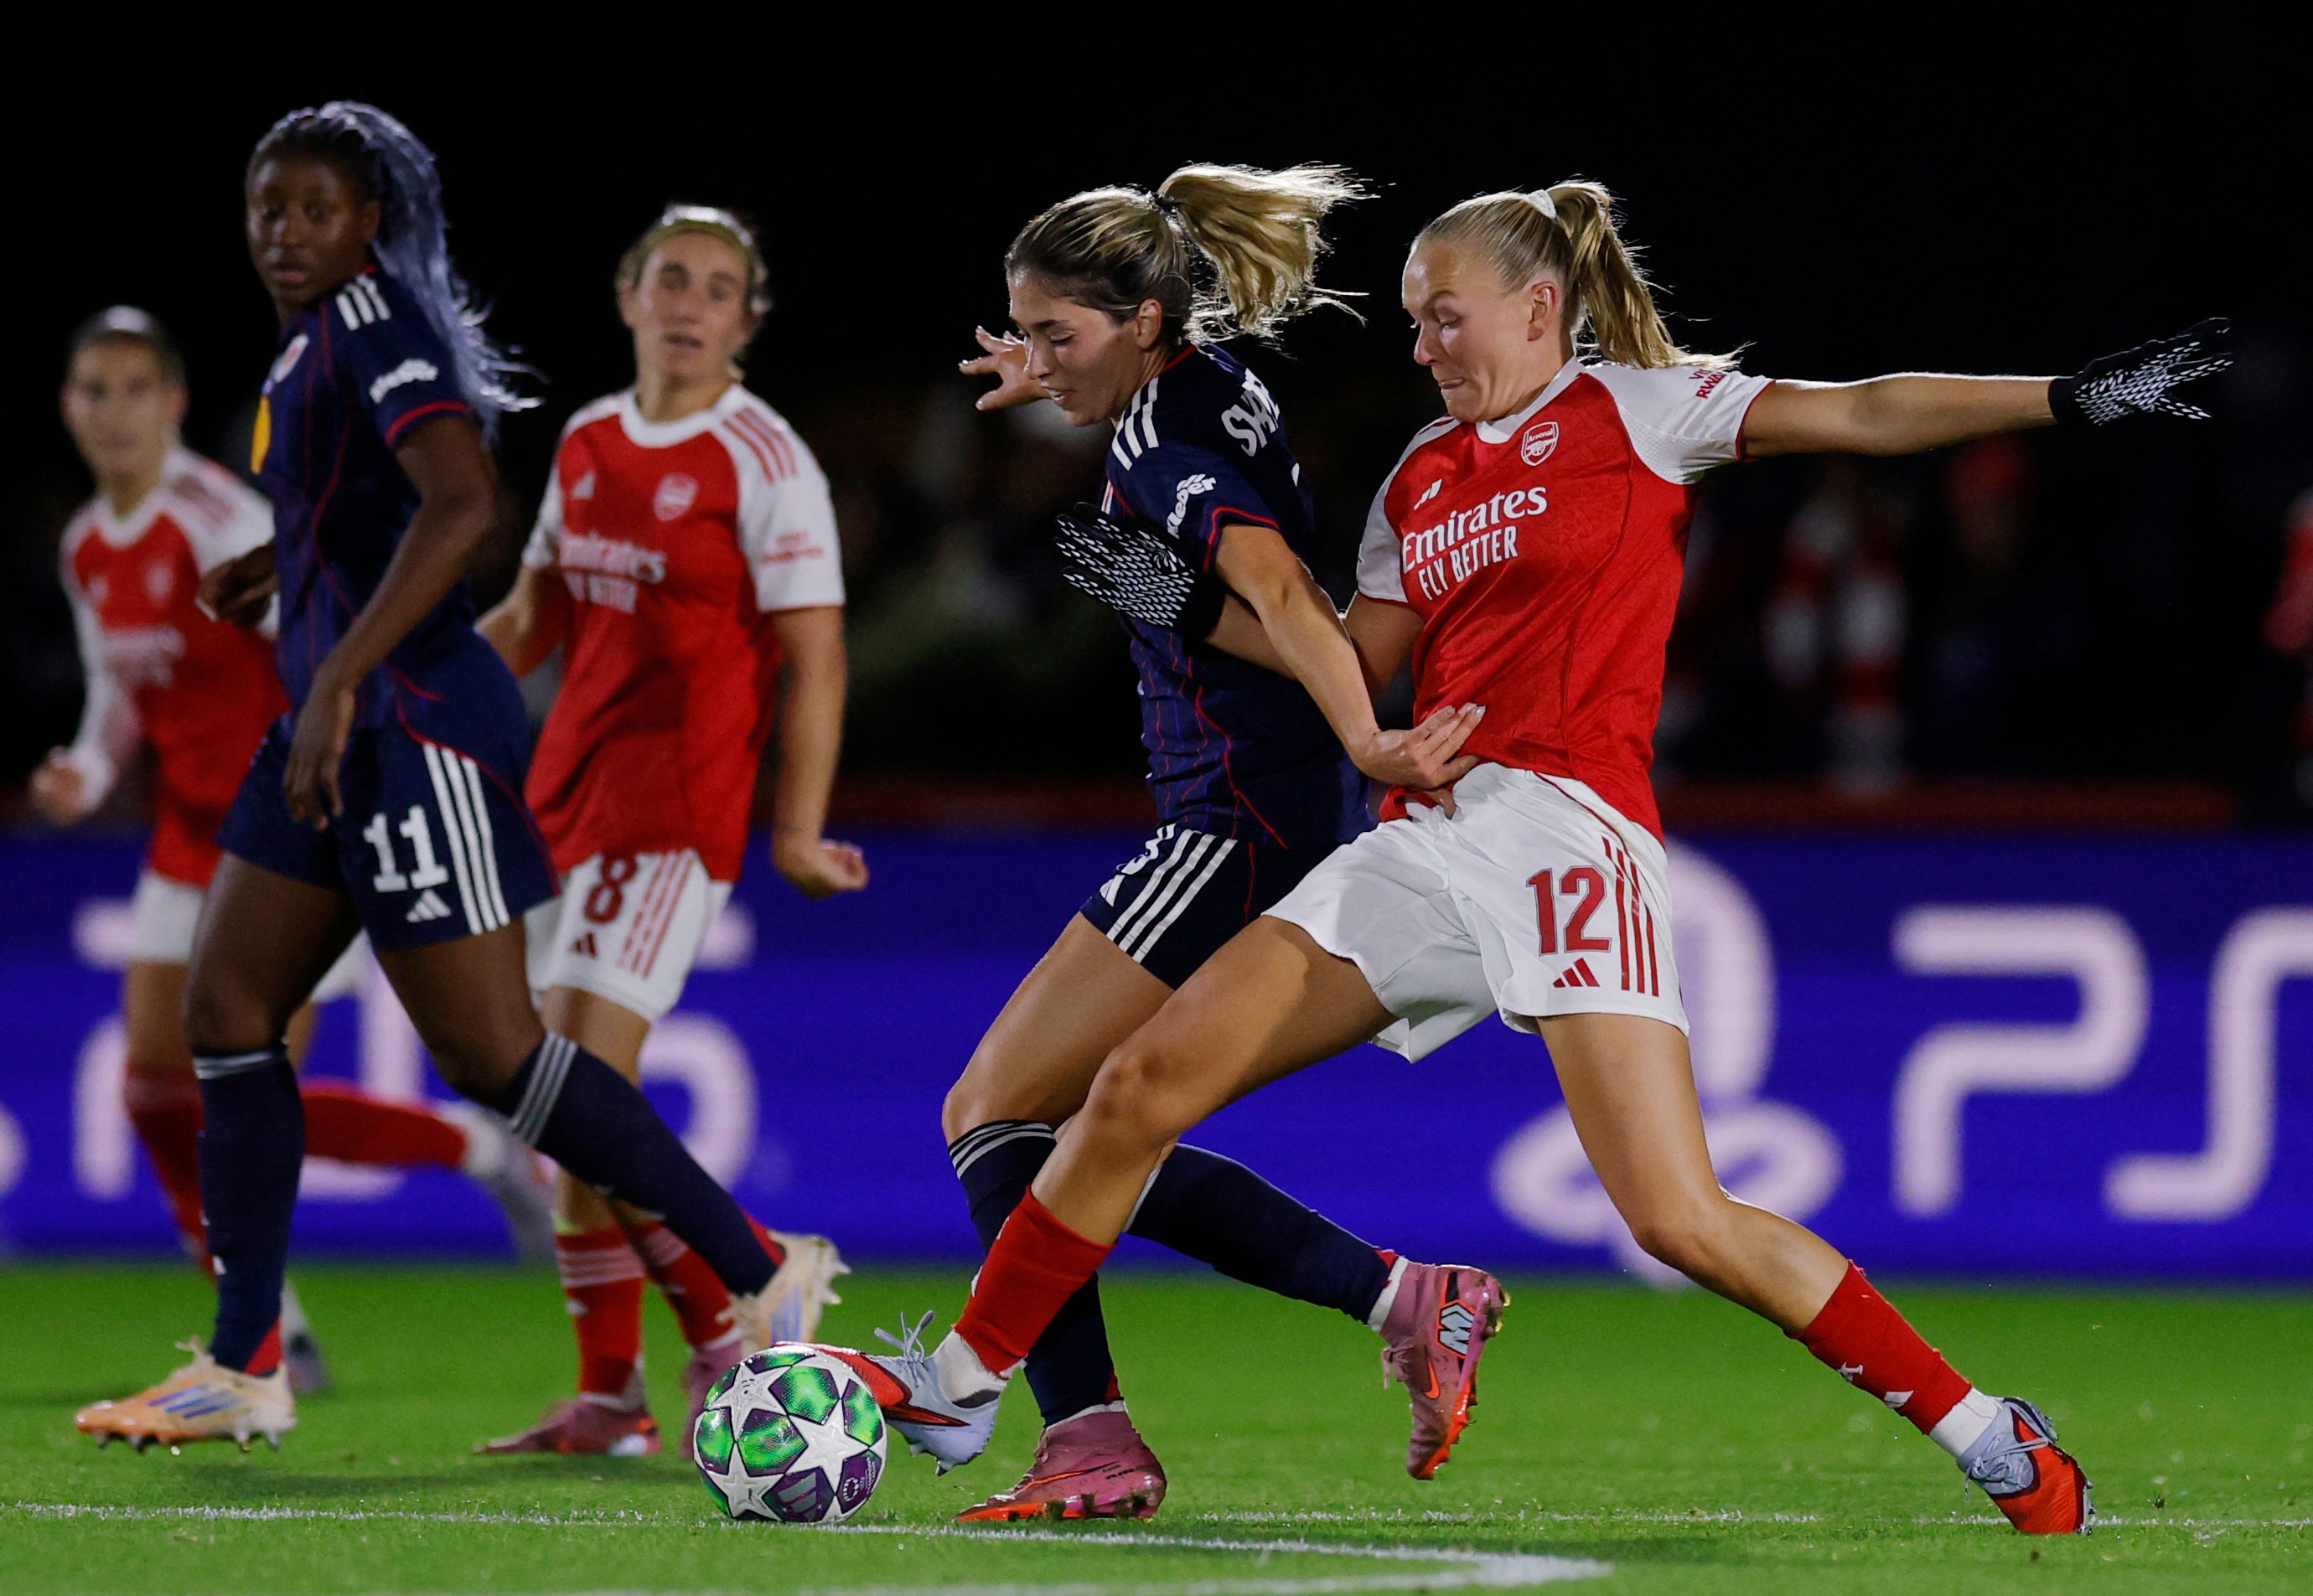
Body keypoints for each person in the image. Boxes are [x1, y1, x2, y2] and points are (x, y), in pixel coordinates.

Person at [847, 183, 2233, 1537]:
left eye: (1445, 318)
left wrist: (2066, 397)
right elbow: (1350, 659)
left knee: (1679, 1218)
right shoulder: (1417, 479)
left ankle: (1986, 1427)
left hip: (1573, 840)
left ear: (1540, 305)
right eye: (1410, 322)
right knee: (1135, 1084)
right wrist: (1178, 599)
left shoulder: (1641, 407)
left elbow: (1867, 408)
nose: (1422, 347)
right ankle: (964, 1391)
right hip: (1428, 836)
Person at [75, 102, 819, 1454]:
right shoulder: (317, 335)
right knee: (229, 1005)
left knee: (493, 1052)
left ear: (370, 219)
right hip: (335, 720)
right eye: (265, 206)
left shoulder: (372, 319)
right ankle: (245, 1360)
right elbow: (377, 506)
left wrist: (349, 667)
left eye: (314, 207)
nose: (284, 231)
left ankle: (762, 1264)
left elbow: (466, 502)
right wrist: (287, 569)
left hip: (410, 724)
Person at [844, 166, 1490, 1523]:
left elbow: (1274, 591)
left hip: (1235, 815)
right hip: (1261, 800)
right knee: (1093, 1128)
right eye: (1022, 332)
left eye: (1057, 335)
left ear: (1144, 319)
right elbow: (1220, 598)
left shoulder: (1157, 447)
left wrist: (1371, 737)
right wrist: (1067, 387)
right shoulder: (1197, 381)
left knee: (992, 1110)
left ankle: (1080, 1428)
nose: (1034, 359)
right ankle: (1397, 1295)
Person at [43, 307, 552, 1402]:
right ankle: (292, 1296)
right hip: (186, 836)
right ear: (69, 407)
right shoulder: (88, 542)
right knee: (150, 1092)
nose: (114, 411)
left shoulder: (215, 516)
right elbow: (112, 693)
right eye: (94, 390)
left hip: (285, 827)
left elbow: (327, 621)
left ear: (173, 404)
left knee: (243, 1085)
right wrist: (87, 769)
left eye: (136, 389)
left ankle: (269, 1332)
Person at [475, 205, 856, 1459]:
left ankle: (747, 1295)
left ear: (746, 321)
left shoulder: (765, 456)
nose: (692, 303)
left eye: (719, 288)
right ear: (629, 295)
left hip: (674, 812)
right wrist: (404, 691)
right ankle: (620, 1389)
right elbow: (532, 616)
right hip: (562, 801)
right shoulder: (587, 438)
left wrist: (795, 828)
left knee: (583, 1088)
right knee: (564, 1111)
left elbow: (815, 655)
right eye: (671, 280)